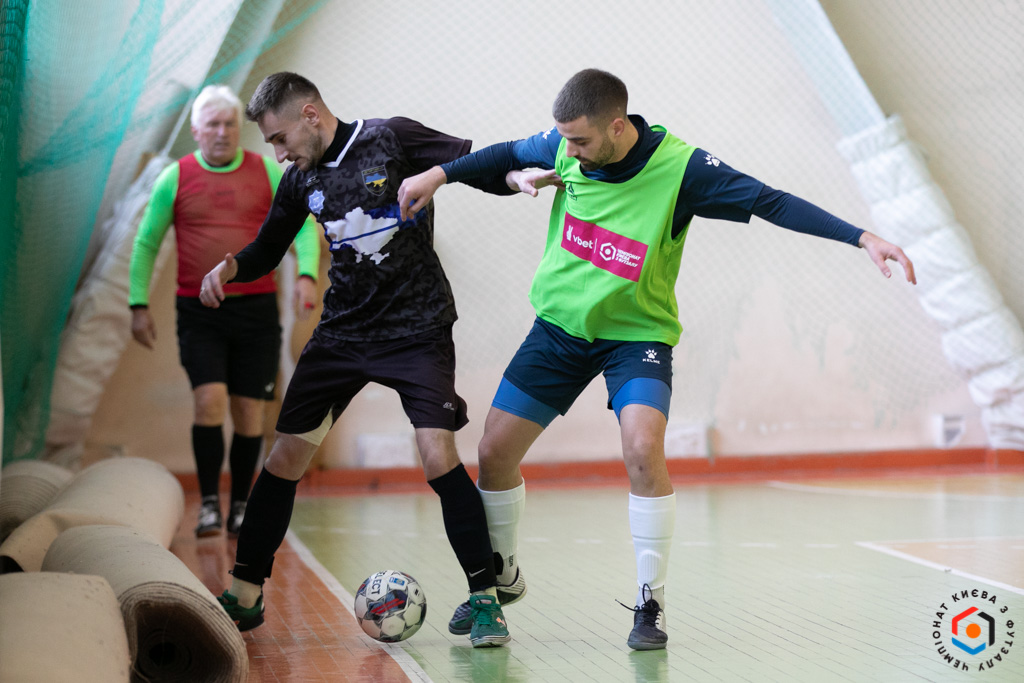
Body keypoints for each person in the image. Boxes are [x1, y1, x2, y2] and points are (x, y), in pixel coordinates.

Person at [397, 68, 917, 651]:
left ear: (618, 127)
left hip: (636, 336)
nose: (568, 151)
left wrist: (861, 237)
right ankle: (504, 573)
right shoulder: (564, 145)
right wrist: (437, 175)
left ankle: (651, 602)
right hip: (558, 331)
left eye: (581, 140)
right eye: (564, 139)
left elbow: (771, 201)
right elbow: (502, 154)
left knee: (643, 449)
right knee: (493, 454)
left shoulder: (683, 170)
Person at [198, 72, 516, 647]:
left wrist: (515, 178)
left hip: (417, 329)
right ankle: (245, 593)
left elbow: (470, 163)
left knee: (437, 456)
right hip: (342, 335)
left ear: (310, 115)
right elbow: (269, 246)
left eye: (279, 138)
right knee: (284, 457)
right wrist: (233, 267)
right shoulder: (300, 179)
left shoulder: (390, 138)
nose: (278, 152)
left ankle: (485, 600)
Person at [129, 85, 321, 538]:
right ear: (197, 131)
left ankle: (240, 506)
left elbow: (303, 227)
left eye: (230, 123)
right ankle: (210, 505)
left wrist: (307, 275)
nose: (222, 132)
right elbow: (146, 242)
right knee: (209, 401)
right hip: (200, 312)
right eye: (212, 124)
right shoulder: (175, 177)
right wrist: (138, 303)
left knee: (250, 411)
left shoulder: (266, 172)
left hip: (257, 312)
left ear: (240, 128)